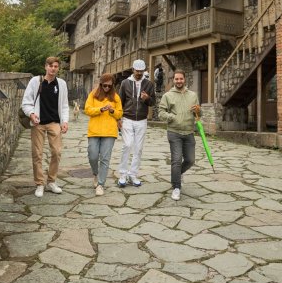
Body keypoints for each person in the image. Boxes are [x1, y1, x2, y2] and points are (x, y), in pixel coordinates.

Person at [22, 56, 69, 198]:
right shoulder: (36, 81)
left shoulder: (61, 84)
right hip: (38, 123)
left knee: (56, 152)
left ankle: (51, 181)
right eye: (50, 66)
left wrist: (65, 121)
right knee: (37, 154)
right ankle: (39, 183)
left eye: (55, 66)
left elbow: (65, 105)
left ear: (58, 68)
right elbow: (26, 102)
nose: (53, 68)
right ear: (45, 67)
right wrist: (31, 114)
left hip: (54, 122)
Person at [158, 69, 200, 201]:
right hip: (174, 132)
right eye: (176, 79)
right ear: (173, 80)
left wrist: (199, 110)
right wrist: (172, 117)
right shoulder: (167, 96)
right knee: (176, 160)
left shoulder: (193, 95)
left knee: (190, 160)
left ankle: (177, 174)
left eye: (181, 79)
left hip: (189, 132)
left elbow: (198, 114)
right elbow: (161, 113)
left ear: (184, 79)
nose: (179, 81)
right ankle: (176, 187)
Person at [118, 59, 155, 187]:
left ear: (144, 70)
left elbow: (153, 102)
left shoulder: (149, 84)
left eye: (141, 71)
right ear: (133, 70)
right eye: (137, 71)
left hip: (142, 120)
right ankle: (122, 174)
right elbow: (120, 102)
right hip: (127, 118)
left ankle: (133, 175)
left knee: (138, 149)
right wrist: (118, 119)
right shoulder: (125, 83)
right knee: (127, 145)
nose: (139, 73)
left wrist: (147, 99)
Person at [84, 73, 123, 196]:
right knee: (93, 156)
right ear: (101, 84)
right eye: (104, 85)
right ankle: (95, 174)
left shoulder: (116, 97)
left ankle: (101, 184)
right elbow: (87, 109)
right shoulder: (93, 94)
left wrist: (112, 111)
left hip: (109, 132)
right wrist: (100, 109)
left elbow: (120, 114)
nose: (107, 88)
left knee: (105, 159)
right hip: (94, 131)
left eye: (109, 86)